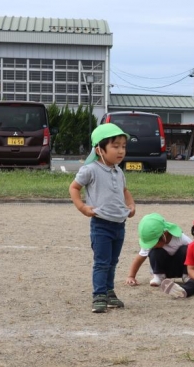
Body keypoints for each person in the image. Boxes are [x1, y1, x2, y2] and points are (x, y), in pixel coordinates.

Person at [69, 123, 136, 313]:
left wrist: (131, 205)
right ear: (99, 149)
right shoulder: (90, 169)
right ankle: (98, 294)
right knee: (102, 262)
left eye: (123, 146)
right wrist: (82, 207)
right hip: (101, 225)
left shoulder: (118, 171)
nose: (121, 150)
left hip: (119, 225)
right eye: (115, 146)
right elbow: (74, 188)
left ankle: (109, 291)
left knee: (113, 262)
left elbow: (124, 191)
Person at [125, 213, 192, 287]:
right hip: (164, 269)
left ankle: (187, 275)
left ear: (164, 234)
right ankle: (159, 276)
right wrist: (131, 276)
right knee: (155, 252)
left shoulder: (181, 238)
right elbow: (139, 259)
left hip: (181, 268)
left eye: (153, 243)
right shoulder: (151, 244)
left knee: (187, 249)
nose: (151, 246)